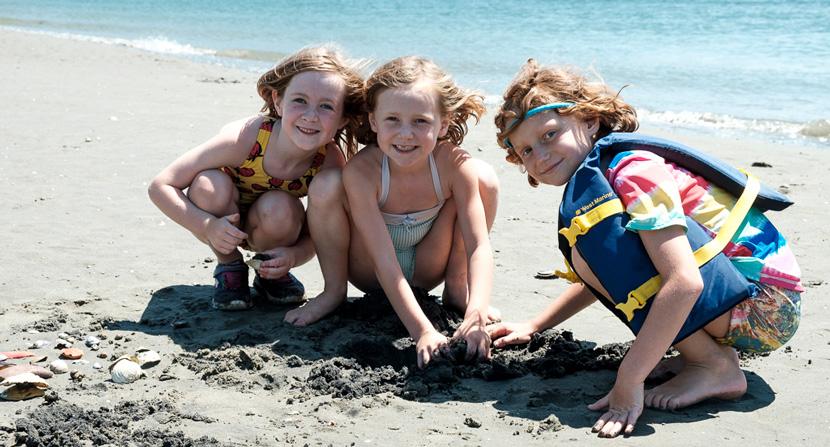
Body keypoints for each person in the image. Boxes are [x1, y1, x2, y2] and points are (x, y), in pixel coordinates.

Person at [487, 61, 803, 438]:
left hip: (768, 307)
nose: (539, 156)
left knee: (598, 248)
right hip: (750, 299)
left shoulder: (631, 169)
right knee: (594, 249)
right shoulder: (605, 172)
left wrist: (629, 379)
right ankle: (700, 354)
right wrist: (536, 325)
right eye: (525, 150)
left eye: (550, 134)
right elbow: (608, 274)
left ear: (589, 120)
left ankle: (714, 366)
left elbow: (683, 282)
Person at [284, 56, 500, 368]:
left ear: (444, 123)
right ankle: (333, 292)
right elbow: (384, 260)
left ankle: (457, 290)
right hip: (370, 272)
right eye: (392, 120)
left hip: (429, 267)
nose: (405, 134)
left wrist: (477, 314)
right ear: (373, 121)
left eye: (420, 121)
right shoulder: (364, 171)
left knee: (485, 179)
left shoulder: (454, 165)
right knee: (327, 185)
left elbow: (479, 245)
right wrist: (422, 331)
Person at [148, 46, 365, 311]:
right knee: (208, 184)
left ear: (342, 119)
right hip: (220, 217)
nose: (311, 115)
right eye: (300, 100)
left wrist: (294, 255)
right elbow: (161, 185)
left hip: (273, 224)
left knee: (280, 207)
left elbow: (324, 228)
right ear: (278, 101)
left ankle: (270, 270)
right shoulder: (245, 139)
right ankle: (230, 266)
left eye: (326, 106)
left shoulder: (328, 161)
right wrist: (207, 227)